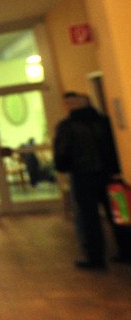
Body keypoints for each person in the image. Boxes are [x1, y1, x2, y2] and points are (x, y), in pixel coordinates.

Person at [53, 91, 131, 269]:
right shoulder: (104, 122)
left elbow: (62, 153)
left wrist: (64, 167)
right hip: (110, 175)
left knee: (89, 218)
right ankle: (126, 250)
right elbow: (114, 147)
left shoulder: (67, 126)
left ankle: (95, 257)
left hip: (83, 176)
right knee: (118, 213)